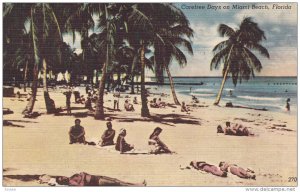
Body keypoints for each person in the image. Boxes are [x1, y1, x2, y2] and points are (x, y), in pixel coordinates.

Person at [55, 172, 146, 186]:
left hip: (97, 177)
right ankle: (140, 186)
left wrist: (82, 176)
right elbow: (82, 186)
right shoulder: (71, 183)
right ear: (62, 182)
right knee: (118, 184)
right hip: (97, 181)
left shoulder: (71, 177)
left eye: (62, 176)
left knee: (117, 180)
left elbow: (83, 173)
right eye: (62, 179)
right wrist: (82, 177)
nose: (64, 177)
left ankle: (137, 184)